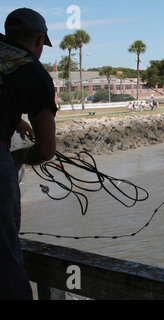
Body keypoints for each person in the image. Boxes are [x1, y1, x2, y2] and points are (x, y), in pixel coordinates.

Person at [0, 8, 57, 300]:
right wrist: (18, 157)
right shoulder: (32, 70)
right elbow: (47, 150)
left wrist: (15, 119)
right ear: (39, 39)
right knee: (4, 260)